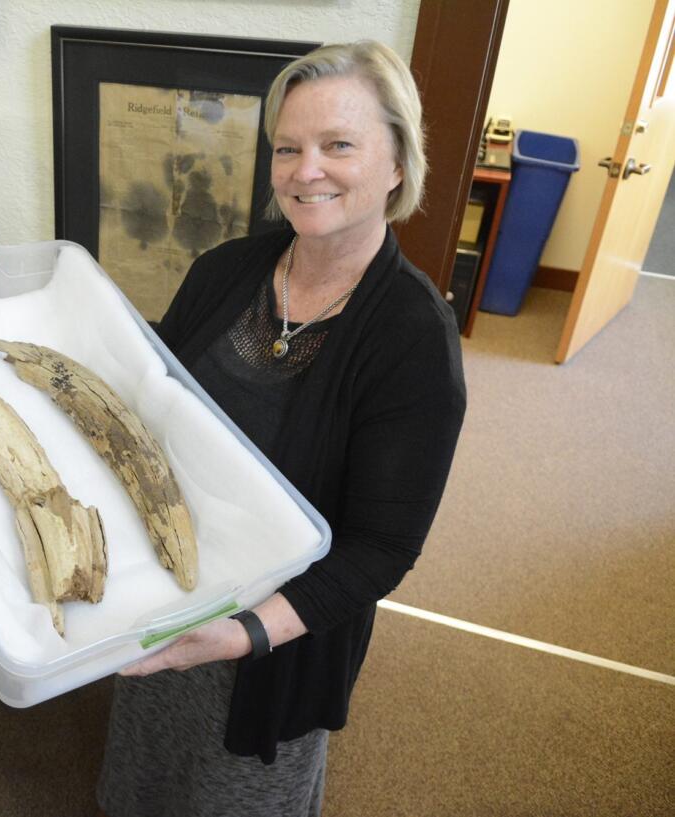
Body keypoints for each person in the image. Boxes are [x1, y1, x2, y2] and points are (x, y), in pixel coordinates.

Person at [96, 40, 467, 817]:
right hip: (165, 591)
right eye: (289, 147)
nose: (306, 170)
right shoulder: (225, 269)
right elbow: (152, 392)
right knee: (146, 780)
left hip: (271, 645)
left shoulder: (411, 339)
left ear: (398, 162)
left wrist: (241, 637)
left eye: (339, 145)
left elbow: (381, 549)